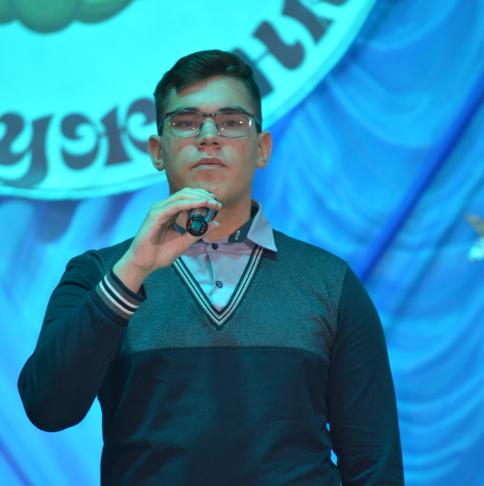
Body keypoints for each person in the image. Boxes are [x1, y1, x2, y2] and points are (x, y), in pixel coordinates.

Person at [18, 50, 404, 485]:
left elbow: (374, 463)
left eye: (232, 121)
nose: (208, 136)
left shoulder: (329, 281)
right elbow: (48, 409)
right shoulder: (101, 274)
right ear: (157, 151)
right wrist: (133, 272)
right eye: (185, 122)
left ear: (262, 148)